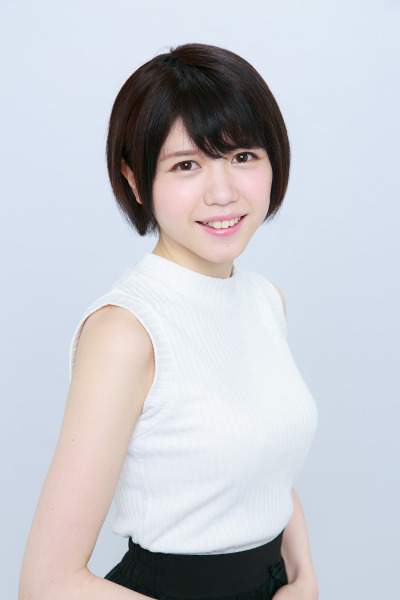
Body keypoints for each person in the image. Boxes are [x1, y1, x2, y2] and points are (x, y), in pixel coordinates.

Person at [19, 43, 319, 600]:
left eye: (243, 156)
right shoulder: (126, 330)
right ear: (136, 180)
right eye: (186, 165)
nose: (222, 192)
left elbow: (266, 467)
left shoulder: (265, 301)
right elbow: (45, 583)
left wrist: (304, 578)